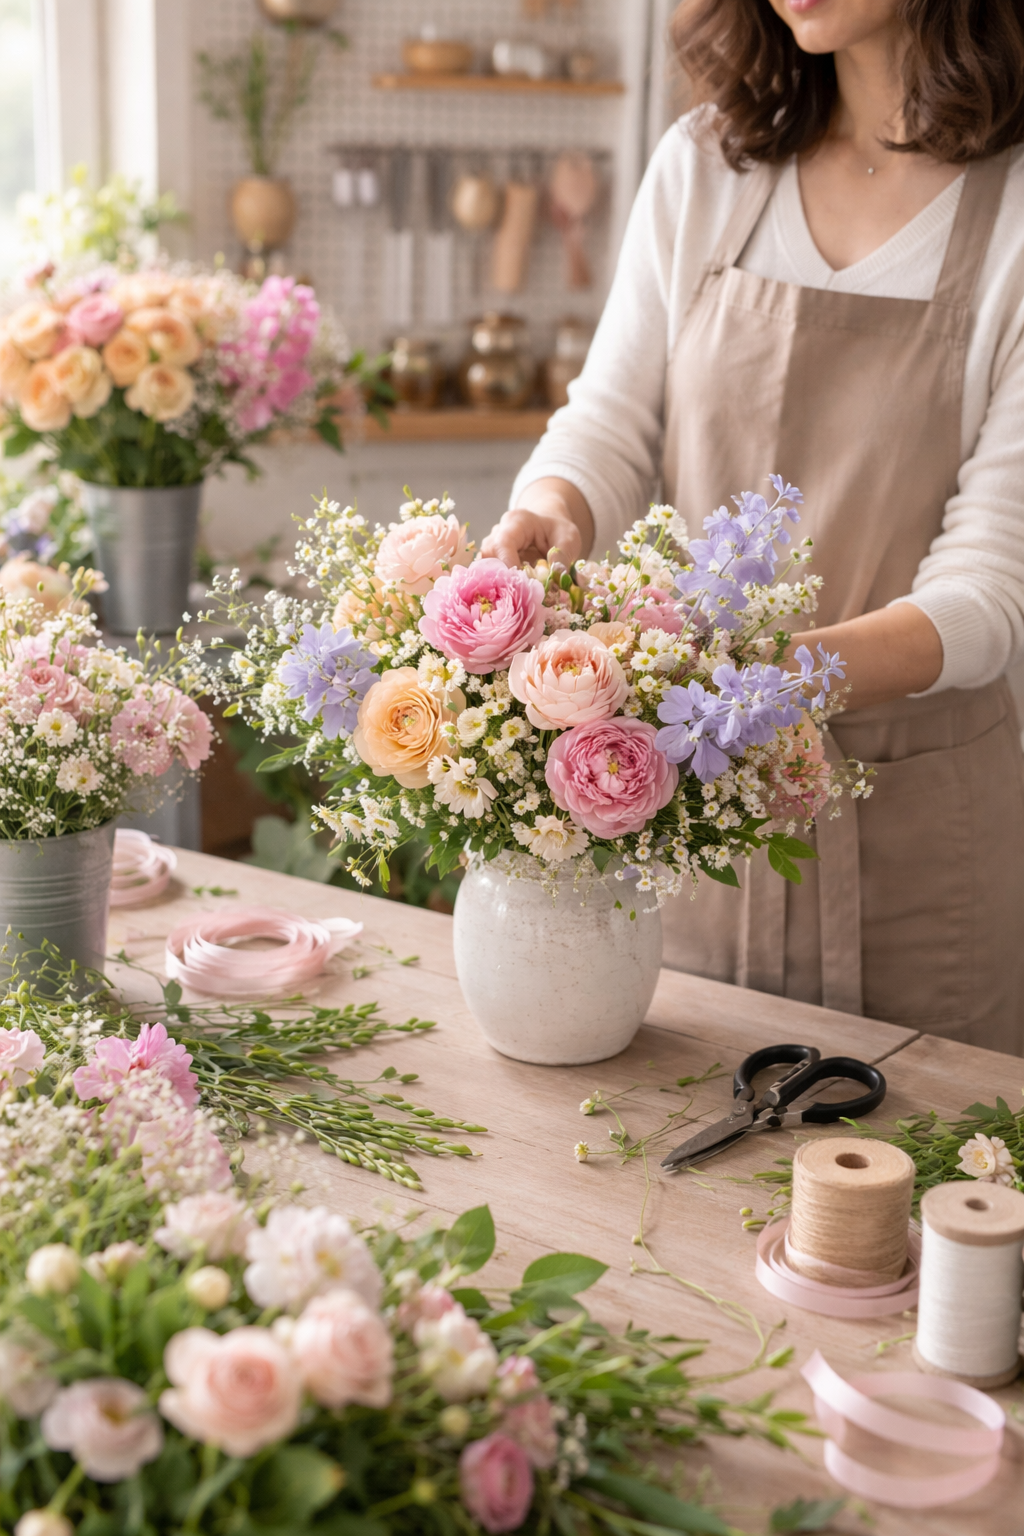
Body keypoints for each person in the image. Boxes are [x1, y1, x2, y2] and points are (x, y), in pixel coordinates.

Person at [483, 0, 1024, 1053]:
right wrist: (549, 508)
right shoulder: (707, 163)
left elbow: (991, 586)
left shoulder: (1013, 208)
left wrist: (757, 684)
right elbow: (612, 420)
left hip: (919, 839)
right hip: (696, 814)